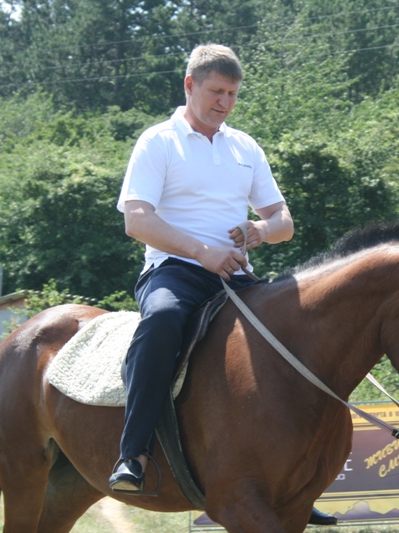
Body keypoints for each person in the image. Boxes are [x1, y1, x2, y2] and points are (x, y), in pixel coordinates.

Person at [109, 42, 336, 527]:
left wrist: (261, 231)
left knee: (294, 330)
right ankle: (132, 454)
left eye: (232, 94)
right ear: (189, 85)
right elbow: (137, 220)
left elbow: (283, 220)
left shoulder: (244, 147)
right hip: (174, 271)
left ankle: (293, 477)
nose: (225, 103)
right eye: (216, 91)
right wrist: (202, 251)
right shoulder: (158, 141)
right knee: (164, 320)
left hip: (237, 277)